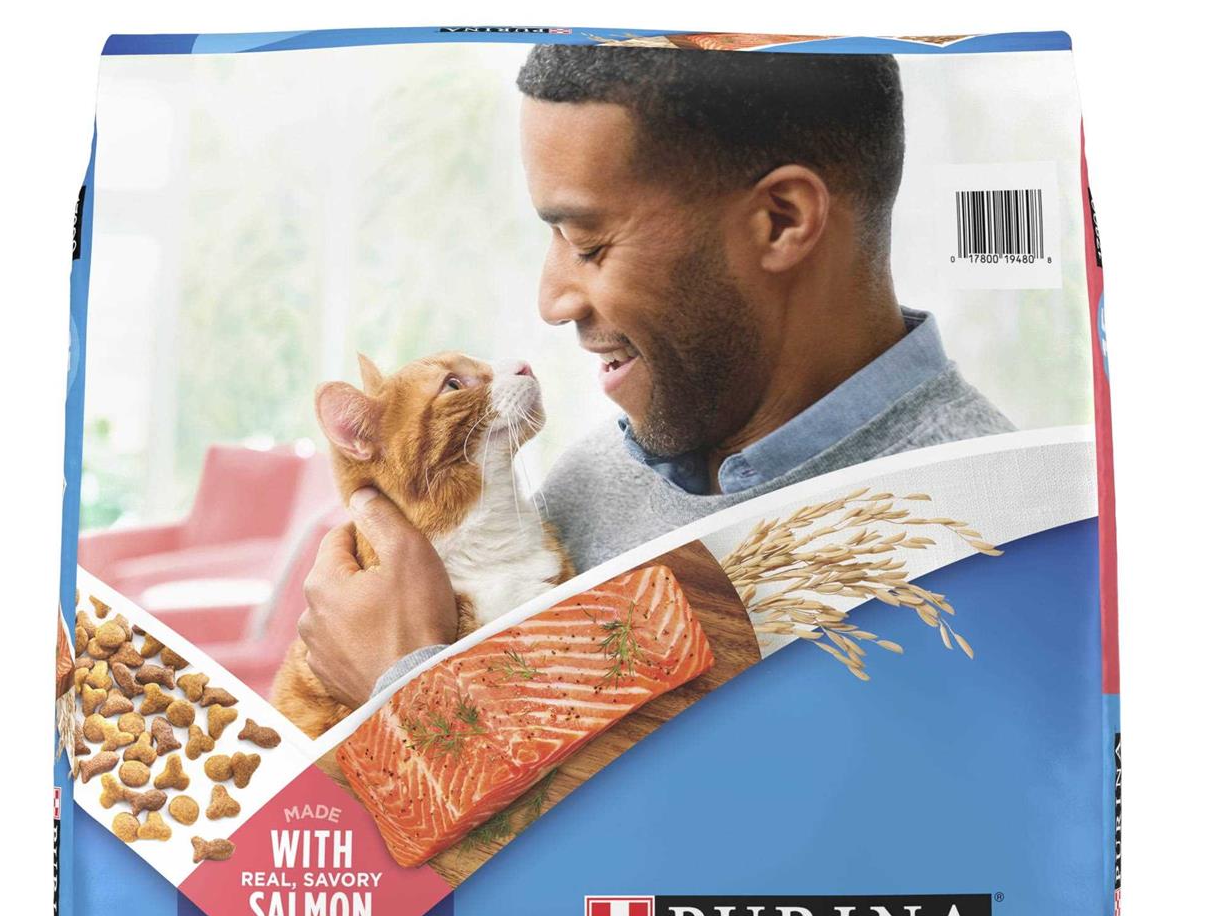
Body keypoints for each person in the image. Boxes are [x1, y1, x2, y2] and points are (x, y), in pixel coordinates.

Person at [298, 47, 1011, 709]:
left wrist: (401, 685)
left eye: (588, 243)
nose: (552, 301)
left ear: (780, 221)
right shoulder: (585, 489)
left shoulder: (1000, 534)